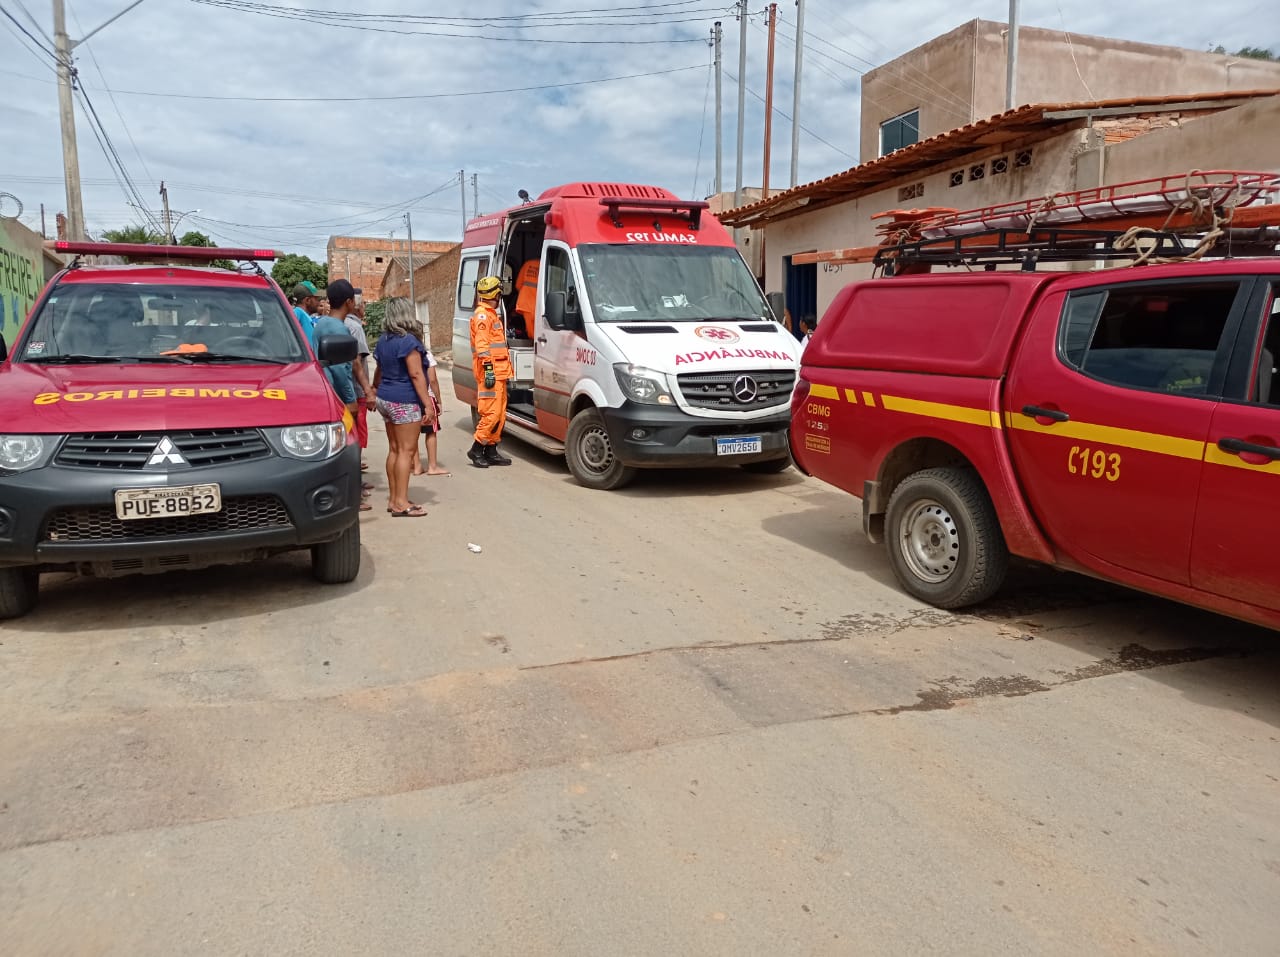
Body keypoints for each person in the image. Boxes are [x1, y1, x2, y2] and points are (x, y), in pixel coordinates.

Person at [372, 298, 436, 517]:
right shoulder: (408, 341)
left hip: (385, 398)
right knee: (407, 452)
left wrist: (373, 389)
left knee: (395, 449)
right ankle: (401, 502)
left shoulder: (383, 340)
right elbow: (416, 374)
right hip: (404, 400)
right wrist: (428, 405)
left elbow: (379, 370)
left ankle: (393, 499)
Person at [468, 275, 513, 468]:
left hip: (499, 373)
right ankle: (477, 449)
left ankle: (491, 450)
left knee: (500, 414)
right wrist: (488, 371)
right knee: (491, 414)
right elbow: (482, 347)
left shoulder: (491, 314)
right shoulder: (483, 316)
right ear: (496, 294)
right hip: (491, 373)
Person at [408, 319, 449, 477]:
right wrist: (438, 400)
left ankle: (417, 466)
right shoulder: (426, 354)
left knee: (413, 433)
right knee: (431, 432)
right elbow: (432, 380)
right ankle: (432, 466)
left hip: (411, 398)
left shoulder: (406, 353)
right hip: (427, 398)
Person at [343, 296, 373, 474]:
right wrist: (367, 390)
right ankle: (355, 478)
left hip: (346, 388)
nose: (364, 310)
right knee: (357, 432)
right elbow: (357, 362)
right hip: (355, 390)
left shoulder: (337, 324)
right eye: (363, 306)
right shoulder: (354, 327)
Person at [513, 258, 540, 339]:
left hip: (526, 303)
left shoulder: (528, 264)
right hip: (542, 305)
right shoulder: (550, 266)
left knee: (532, 334)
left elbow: (518, 285)